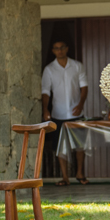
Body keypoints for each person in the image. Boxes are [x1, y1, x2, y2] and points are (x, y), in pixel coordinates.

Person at [42, 40, 89, 186]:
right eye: (56, 48)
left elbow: (84, 86)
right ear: (53, 51)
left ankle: (80, 174)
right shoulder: (49, 69)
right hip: (58, 113)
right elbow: (45, 91)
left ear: (67, 48)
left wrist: (81, 104)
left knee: (80, 145)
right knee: (59, 146)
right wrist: (45, 109)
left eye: (62, 47)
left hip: (76, 113)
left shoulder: (77, 66)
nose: (59, 50)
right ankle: (65, 177)